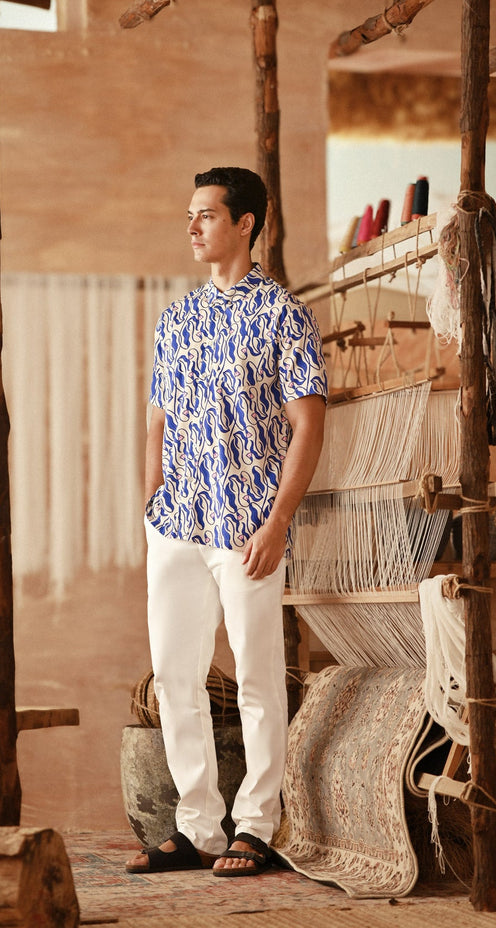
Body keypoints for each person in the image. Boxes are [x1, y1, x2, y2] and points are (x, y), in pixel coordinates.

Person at [126, 166, 327, 877]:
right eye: (190, 214)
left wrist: (278, 522)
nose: (192, 226)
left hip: (248, 527)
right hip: (176, 523)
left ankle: (257, 825)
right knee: (174, 678)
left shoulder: (282, 314)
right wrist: (151, 505)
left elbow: (308, 425)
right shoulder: (176, 318)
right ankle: (197, 827)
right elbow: (157, 418)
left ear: (245, 223)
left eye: (206, 215)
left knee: (255, 679)